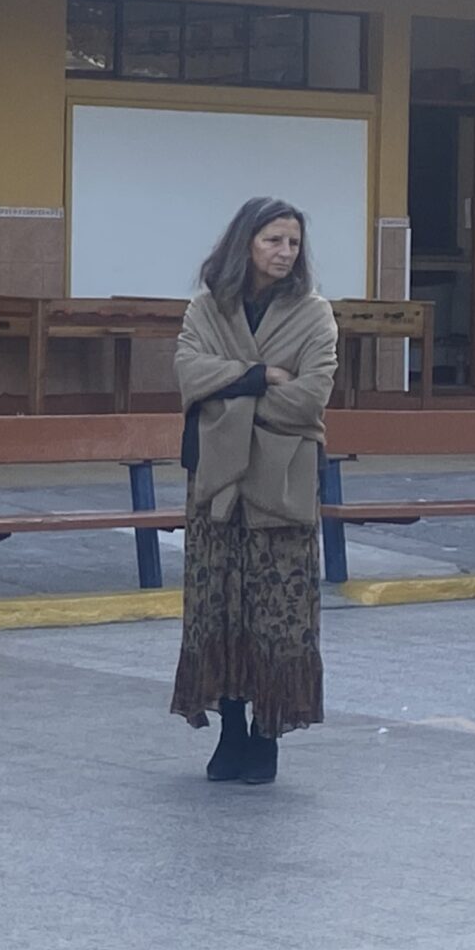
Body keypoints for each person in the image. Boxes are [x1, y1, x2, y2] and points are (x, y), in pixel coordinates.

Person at [172, 196, 337, 785]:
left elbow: (310, 399)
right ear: (245, 243)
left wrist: (228, 398)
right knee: (217, 608)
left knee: (278, 612)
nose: (284, 252)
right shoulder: (206, 309)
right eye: (273, 240)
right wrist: (261, 376)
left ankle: (267, 735)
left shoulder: (314, 315)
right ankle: (231, 731)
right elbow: (189, 375)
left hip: (282, 480)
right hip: (216, 483)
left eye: (293, 243)